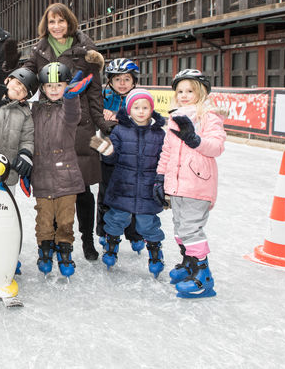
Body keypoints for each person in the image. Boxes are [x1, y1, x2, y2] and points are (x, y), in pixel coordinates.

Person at [23, 3, 109, 262]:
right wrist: (14, 82)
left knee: (81, 188)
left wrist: (101, 122)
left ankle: (86, 239)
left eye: (61, 21)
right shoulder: (40, 50)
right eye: (51, 22)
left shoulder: (87, 50)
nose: (56, 26)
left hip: (79, 125)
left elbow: (94, 90)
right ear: (45, 25)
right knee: (52, 190)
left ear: (69, 22)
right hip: (51, 122)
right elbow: (28, 73)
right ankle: (51, 239)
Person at [156, 69, 226, 298]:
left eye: (190, 91)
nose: (184, 95)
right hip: (176, 185)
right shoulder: (175, 118)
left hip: (198, 185)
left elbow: (216, 147)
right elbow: (167, 151)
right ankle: (190, 264)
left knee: (191, 229)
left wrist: (194, 139)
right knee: (180, 226)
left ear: (201, 92)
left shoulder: (208, 117)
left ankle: (203, 278)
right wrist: (160, 178)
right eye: (180, 91)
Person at [90, 89, 167, 277]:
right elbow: (111, 159)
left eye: (145, 107)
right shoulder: (120, 131)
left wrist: (163, 183)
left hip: (148, 189)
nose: (140, 111)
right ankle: (111, 245)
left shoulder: (159, 135)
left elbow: (164, 160)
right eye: (136, 107)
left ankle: (155, 252)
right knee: (116, 219)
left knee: (148, 224)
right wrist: (107, 152)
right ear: (129, 110)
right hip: (122, 186)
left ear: (152, 109)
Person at [32, 62, 93, 277]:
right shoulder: (35, 110)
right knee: (44, 218)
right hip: (41, 176)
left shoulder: (69, 112)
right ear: (42, 89)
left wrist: (71, 97)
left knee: (66, 219)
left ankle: (65, 250)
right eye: (50, 86)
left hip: (67, 177)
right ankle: (45, 249)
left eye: (60, 85)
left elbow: (72, 111)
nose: (55, 89)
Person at [96, 58, 144, 252]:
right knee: (106, 192)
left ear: (134, 81)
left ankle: (134, 233)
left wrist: (121, 117)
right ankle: (105, 231)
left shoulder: (140, 98)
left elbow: (149, 116)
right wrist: (101, 112)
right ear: (110, 81)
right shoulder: (102, 96)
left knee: (133, 193)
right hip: (107, 151)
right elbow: (89, 111)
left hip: (132, 154)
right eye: (117, 79)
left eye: (126, 79)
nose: (122, 83)